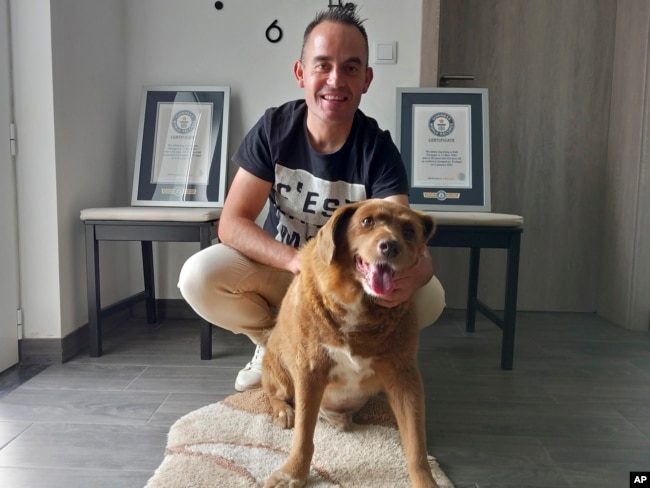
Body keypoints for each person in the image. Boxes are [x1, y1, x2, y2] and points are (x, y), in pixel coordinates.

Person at [178, 6, 445, 392]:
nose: (335, 80)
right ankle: (275, 343)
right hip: (288, 272)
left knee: (430, 297)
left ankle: (354, 356)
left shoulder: (379, 149)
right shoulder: (274, 128)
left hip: (348, 280)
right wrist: (295, 262)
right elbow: (232, 223)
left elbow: (405, 236)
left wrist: (421, 271)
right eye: (323, 66)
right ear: (301, 73)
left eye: (351, 68)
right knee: (198, 276)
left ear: (366, 79)